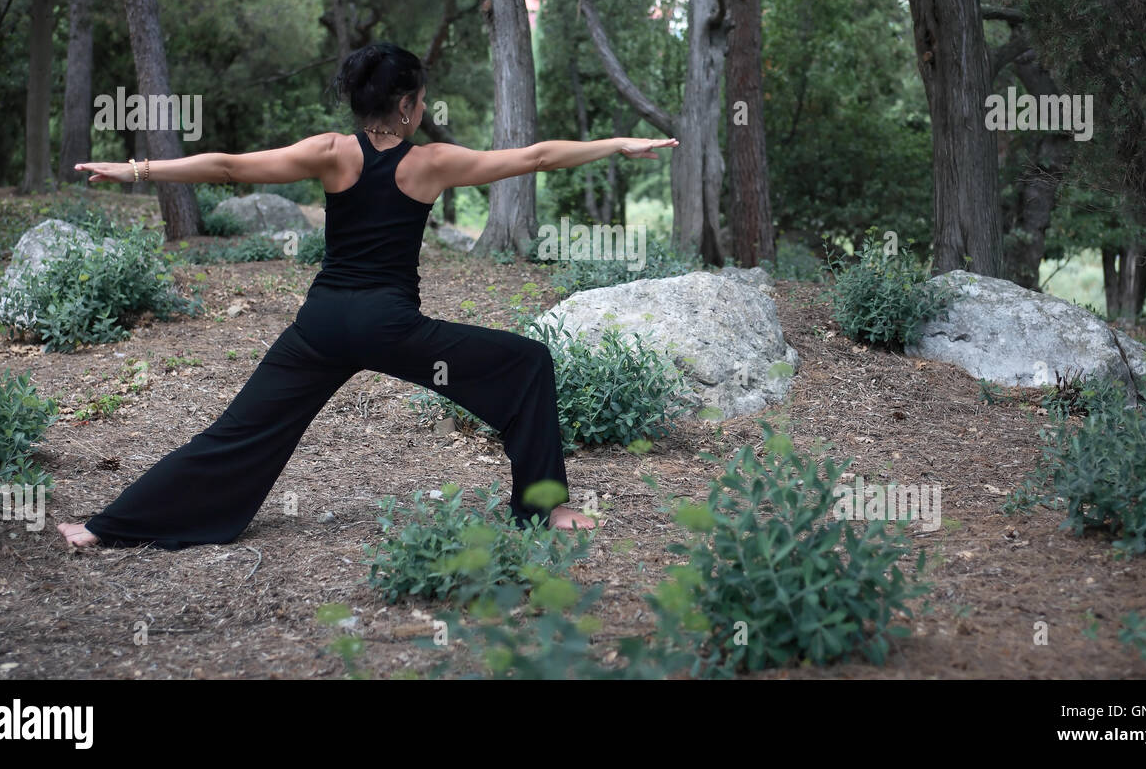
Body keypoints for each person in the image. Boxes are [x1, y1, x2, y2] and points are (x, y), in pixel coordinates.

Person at [56, 41, 679, 550]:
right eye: (422, 97)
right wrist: (618, 145)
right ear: (406, 105)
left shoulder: (330, 153)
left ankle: (103, 527)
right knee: (528, 363)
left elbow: (227, 166)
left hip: (322, 324)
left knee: (237, 432)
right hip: (389, 327)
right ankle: (548, 509)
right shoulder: (430, 162)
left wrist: (135, 171)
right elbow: (537, 156)